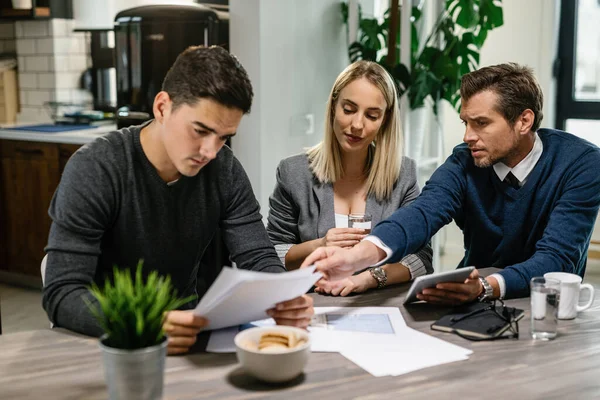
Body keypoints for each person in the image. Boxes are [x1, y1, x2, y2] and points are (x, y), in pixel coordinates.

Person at [42, 46, 314, 355]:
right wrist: (148, 324)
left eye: (224, 137)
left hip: (191, 338)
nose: (210, 151)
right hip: (109, 343)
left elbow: (258, 256)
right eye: (200, 130)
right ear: (162, 107)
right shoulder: (96, 168)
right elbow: (62, 294)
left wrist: (283, 295)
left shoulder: (223, 168)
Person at [302, 62, 600, 304]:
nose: (467, 136)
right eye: (465, 123)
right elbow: (421, 214)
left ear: (523, 121)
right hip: (468, 300)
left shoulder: (581, 164)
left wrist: (486, 286)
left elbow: (557, 259)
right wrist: (355, 257)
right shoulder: (465, 161)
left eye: (481, 123)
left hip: (546, 306)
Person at [266, 61, 432, 297]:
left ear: (384, 120)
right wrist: (319, 245)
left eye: (372, 115)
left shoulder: (402, 174)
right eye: (349, 109)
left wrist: (370, 278)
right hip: (313, 304)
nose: (357, 125)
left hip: (380, 304)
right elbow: (272, 252)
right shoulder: (293, 173)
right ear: (334, 106)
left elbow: (421, 258)